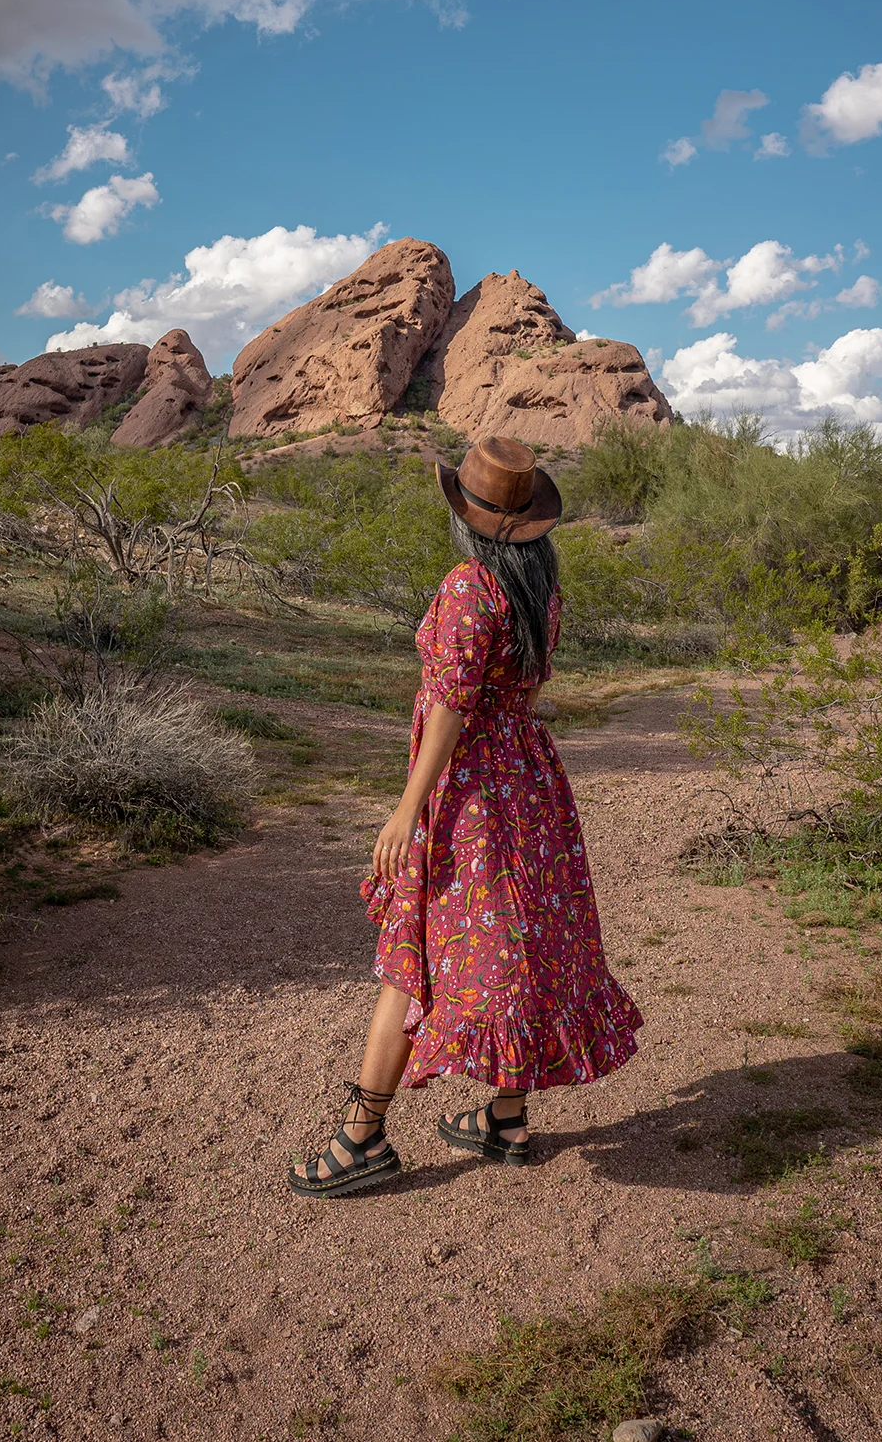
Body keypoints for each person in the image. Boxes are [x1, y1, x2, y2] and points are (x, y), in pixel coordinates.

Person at [288, 434, 643, 1197]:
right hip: (529, 780)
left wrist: (406, 810)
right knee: (526, 938)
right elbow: (528, 691)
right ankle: (505, 1121)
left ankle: (362, 1139)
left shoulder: (468, 587)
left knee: (411, 950)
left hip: (470, 793)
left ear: (468, 516)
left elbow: (451, 704)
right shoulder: (539, 587)